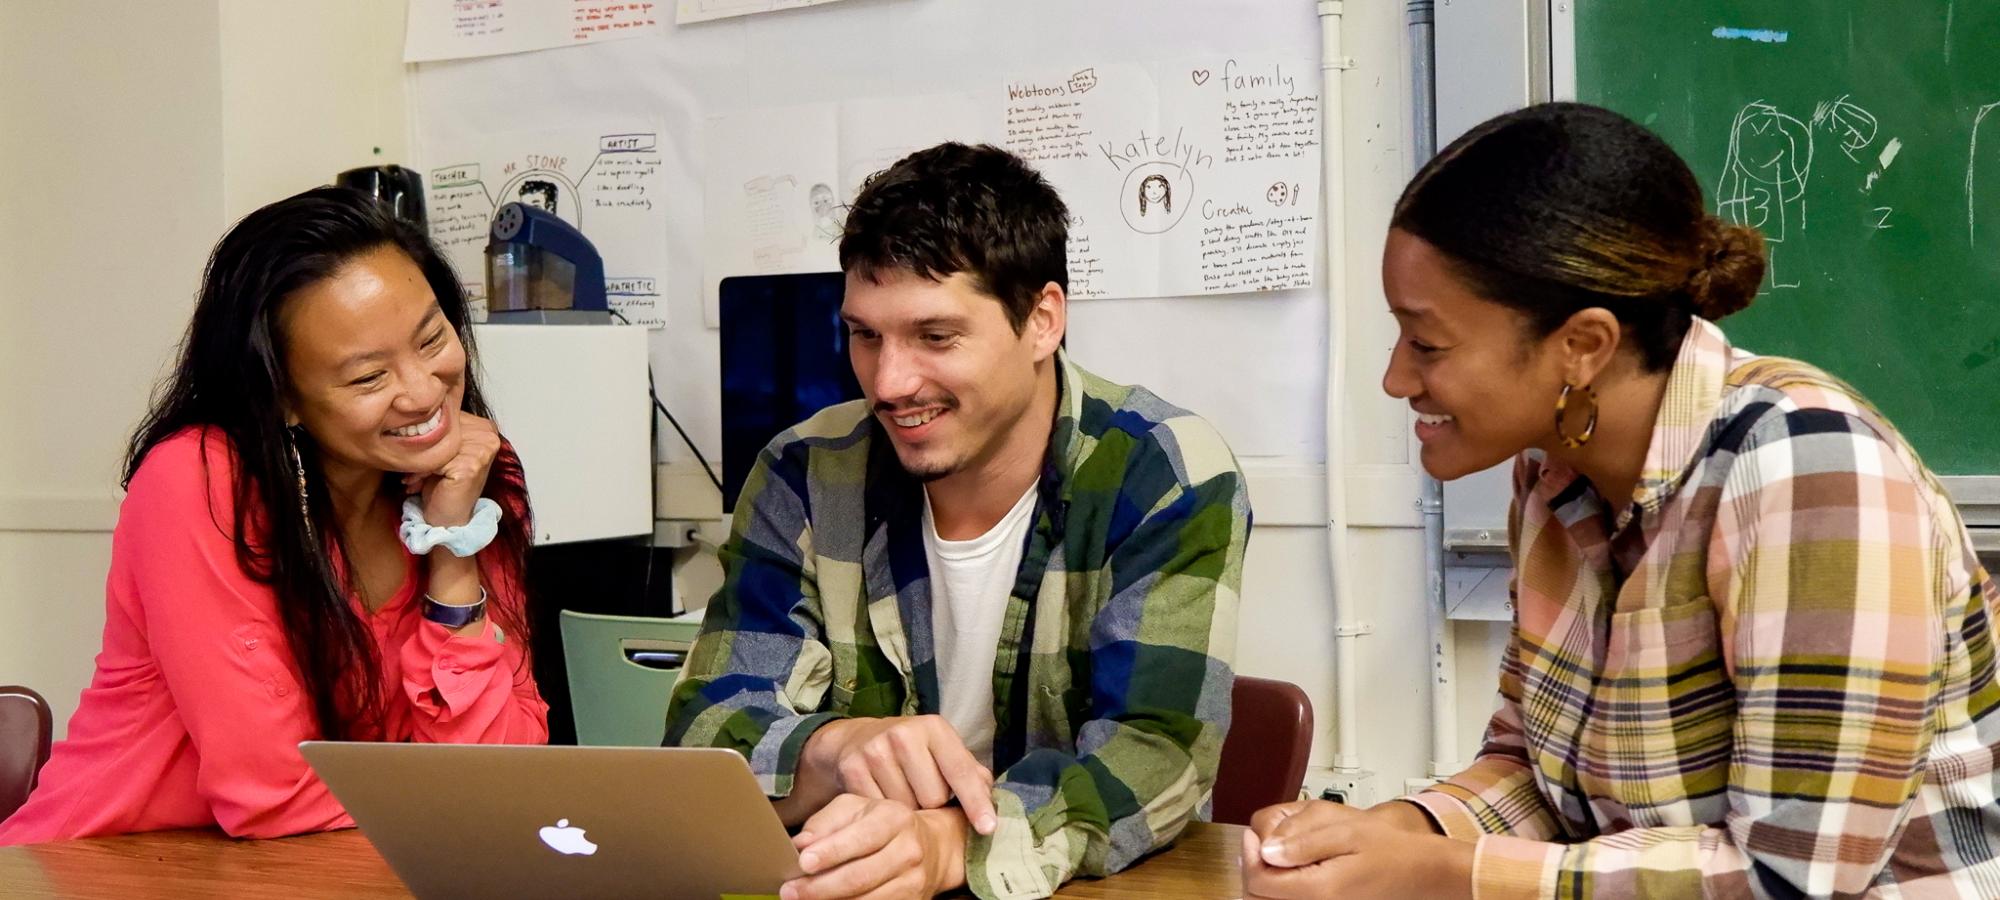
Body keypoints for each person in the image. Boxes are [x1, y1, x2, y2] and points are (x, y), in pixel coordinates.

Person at [1239, 102, 2000, 899]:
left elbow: (1792, 877)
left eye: (1427, 344)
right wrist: (1398, 829)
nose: (1396, 378)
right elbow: (1537, 772)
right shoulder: (1554, 475)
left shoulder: (1812, 472)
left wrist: (1442, 871)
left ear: (1583, 345)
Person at [664, 142, 1251, 900]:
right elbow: (702, 732)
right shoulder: (802, 472)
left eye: (935, 337)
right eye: (865, 335)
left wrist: (951, 844)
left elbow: (1156, 758)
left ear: (1042, 321)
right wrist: (834, 750)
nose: (891, 381)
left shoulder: (1165, 472)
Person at [0, 187, 550, 845]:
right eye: (369, 378)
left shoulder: (475, 472)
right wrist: (447, 802)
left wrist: (453, 547)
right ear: (283, 397)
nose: (425, 391)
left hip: (343, 870)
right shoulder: (201, 481)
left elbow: (498, 771)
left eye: (432, 338)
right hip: (99, 869)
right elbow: (271, 795)